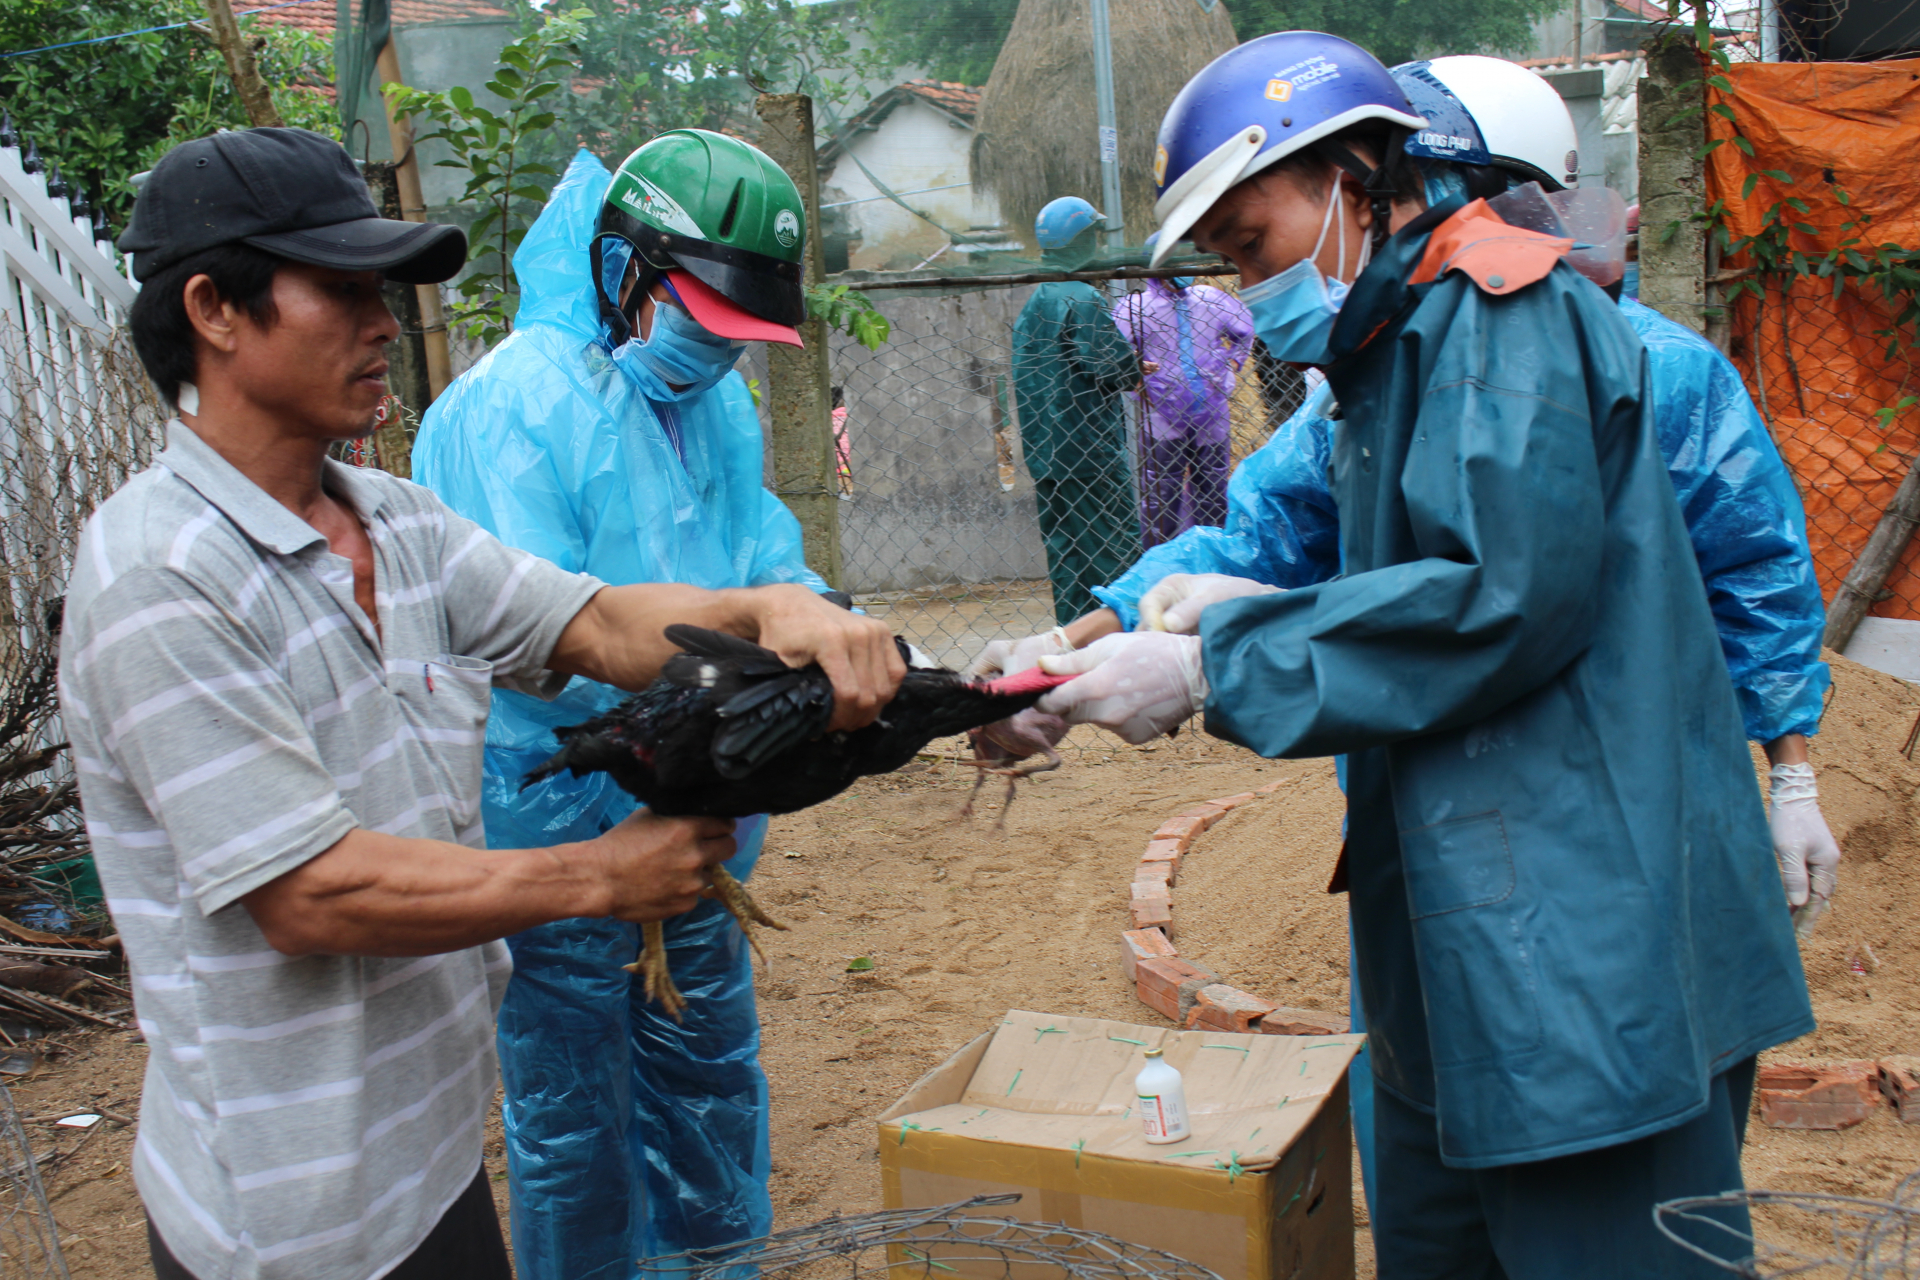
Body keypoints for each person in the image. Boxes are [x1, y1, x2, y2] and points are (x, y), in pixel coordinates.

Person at [1028, 33, 1816, 1276]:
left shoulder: (1508, 317)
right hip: (1467, 908)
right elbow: (1296, 539)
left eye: (1252, 241)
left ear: (1353, 176)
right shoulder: (1390, 352)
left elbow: (1500, 594)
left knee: (1603, 1238)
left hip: (1585, 916)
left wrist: (1214, 663)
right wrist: (1095, 639)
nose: (1248, 285)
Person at [65, 127, 900, 1280]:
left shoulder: (394, 523)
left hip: (431, 1160)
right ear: (214, 308)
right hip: (289, 1219)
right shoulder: (159, 575)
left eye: (386, 289)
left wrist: (765, 609)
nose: (385, 322)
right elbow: (310, 893)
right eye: (344, 289)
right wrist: (602, 875)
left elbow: (598, 623)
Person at [411, 135, 829, 1277]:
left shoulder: (716, 408)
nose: (717, 349)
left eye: (742, 332)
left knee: (706, 1073)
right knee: (574, 1107)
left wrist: (819, 627)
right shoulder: (509, 410)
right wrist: (735, 671)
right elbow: (547, 639)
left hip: (696, 806)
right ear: (621, 272)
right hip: (548, 806)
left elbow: (764, 560)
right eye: (701, 314)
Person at [1012, 196, 1146, 623]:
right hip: (1091, 455)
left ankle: (1072, 642)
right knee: (1115, 553)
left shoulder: (1035, 303)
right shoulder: (1083, 298)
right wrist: (1135, 367)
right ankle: (1126, 640)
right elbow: (1116, 368)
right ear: (1081, 240)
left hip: (1046, 455)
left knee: (1067, 558)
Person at [1114, 232, 1255, 546]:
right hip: (1162, 416)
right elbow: (1115, 350)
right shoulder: (1136, 307)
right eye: (1176, 260)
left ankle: (1214, 560)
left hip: (1212, 414)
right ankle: (1161, 564)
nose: (1185, 266)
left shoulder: (1210, 299)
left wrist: (1232, 362)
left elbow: (1245, 328)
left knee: (1214, 492)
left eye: (1187, 258)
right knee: (1161, 497)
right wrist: (1135, 371)